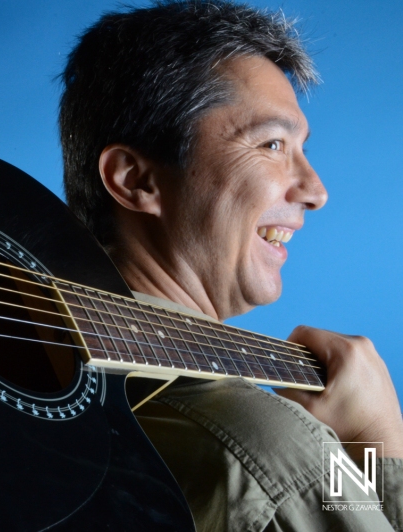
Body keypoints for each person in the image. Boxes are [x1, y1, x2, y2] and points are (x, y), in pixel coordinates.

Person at [58, 1, 403, 530]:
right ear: (135, 180)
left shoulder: (22, 387)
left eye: (302, 149)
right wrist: (377, 449)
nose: (316, 191)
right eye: (271, 144)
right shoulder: (269, 446)